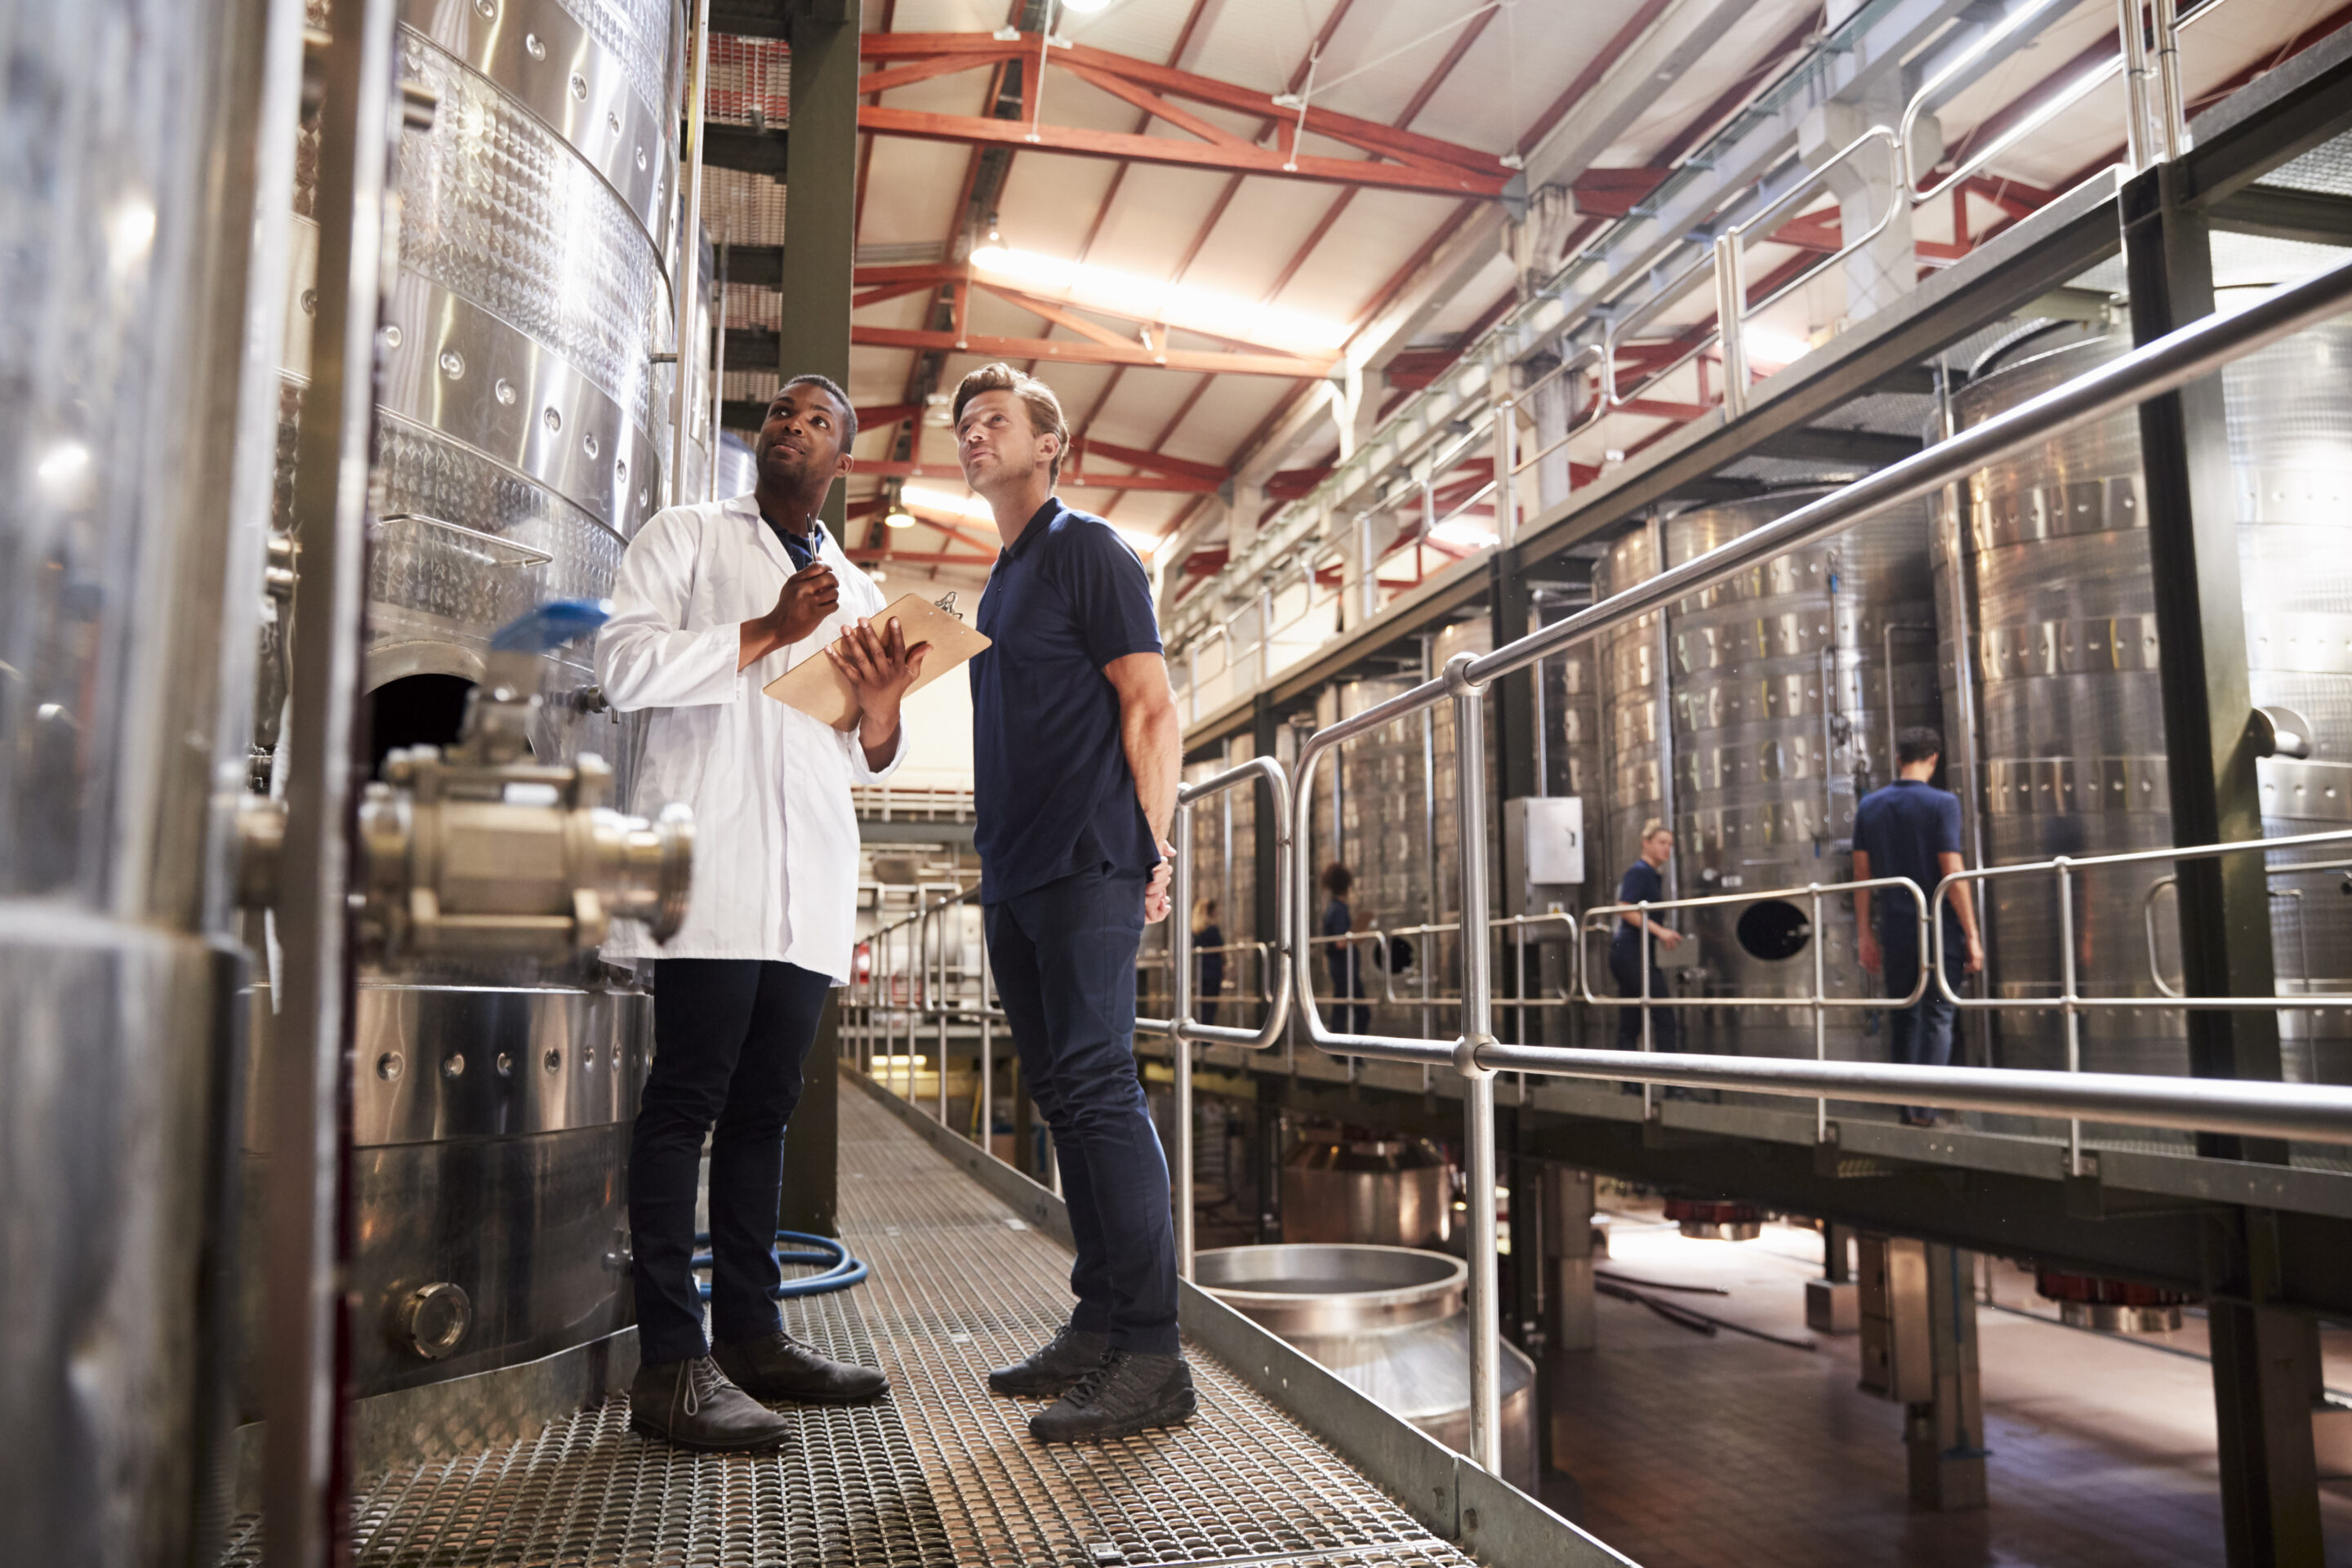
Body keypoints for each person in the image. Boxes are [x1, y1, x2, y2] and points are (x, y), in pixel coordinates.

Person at [596, 376, 924, 1450]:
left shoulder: (859, 589)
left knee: (761, 1116)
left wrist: (882, 708)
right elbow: (623, 666)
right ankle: (671, 1366)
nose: (794, 425)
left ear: (843, 463)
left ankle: (751, 1335)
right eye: (783, 413)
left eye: (821, 419)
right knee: (682, 1108)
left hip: (807, 893)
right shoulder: (684, 537)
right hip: (712, 877)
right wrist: (760, 631)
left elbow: (867, 752)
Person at [955, 362, 1192, 1444]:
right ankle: (1098, 1324)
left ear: (1051, 446)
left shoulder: (1089, 549)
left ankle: (1151, 1354)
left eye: (995, 419)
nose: (972, 433)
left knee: (1099, 1091)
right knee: (1063, 1094)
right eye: (963, 424)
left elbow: (1150, 705)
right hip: (1015, 872)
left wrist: (1148, 846)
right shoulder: (999, 583)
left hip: (1090, 860)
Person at [1852, 727, 1985, 1128]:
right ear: (1934, 758)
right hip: (1938, 926)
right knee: (1939, 1016)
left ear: (1898, 759)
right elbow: (1952, 870)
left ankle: (1907, 1108)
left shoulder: (1870, 806)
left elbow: (1861, 875)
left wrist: (1864, 934)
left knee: (1905, 1015)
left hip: (1895, 927)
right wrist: (1973, 935)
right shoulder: (1942, 803)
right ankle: (1927, 1108)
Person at [1610, 820, 1683, 1055]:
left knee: (1632, 1019)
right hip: (1632, 953)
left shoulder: (1649, 874)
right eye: (1662, 843)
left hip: (1633, 953)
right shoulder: (1639, 872)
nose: (1667, 849)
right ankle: (1673, 1088)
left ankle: (1630, 1087)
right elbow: (1624, 907)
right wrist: (1660, 931)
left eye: (1670, 845)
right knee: (1664, 1016)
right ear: (1646, 843)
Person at [1320, 863, 1366, 1035]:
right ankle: (1355, 1054)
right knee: (1361, 1012)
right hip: (1344, 968)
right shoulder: (1338, 910)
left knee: (1342, 1008)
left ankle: (1340, 1052)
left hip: (1341, 968)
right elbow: (1340, 942)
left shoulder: (1334, 909)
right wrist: (1359, 934)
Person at [1192, 897, 1225, 1027]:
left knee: (1202, 1005)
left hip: (1201, 972)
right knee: (1210, 1006)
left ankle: (1199, 1036)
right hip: (1213, 971)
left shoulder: (1196, 931)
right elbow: (1221, 950)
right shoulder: (1212, 929)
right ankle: (1206, 1040)